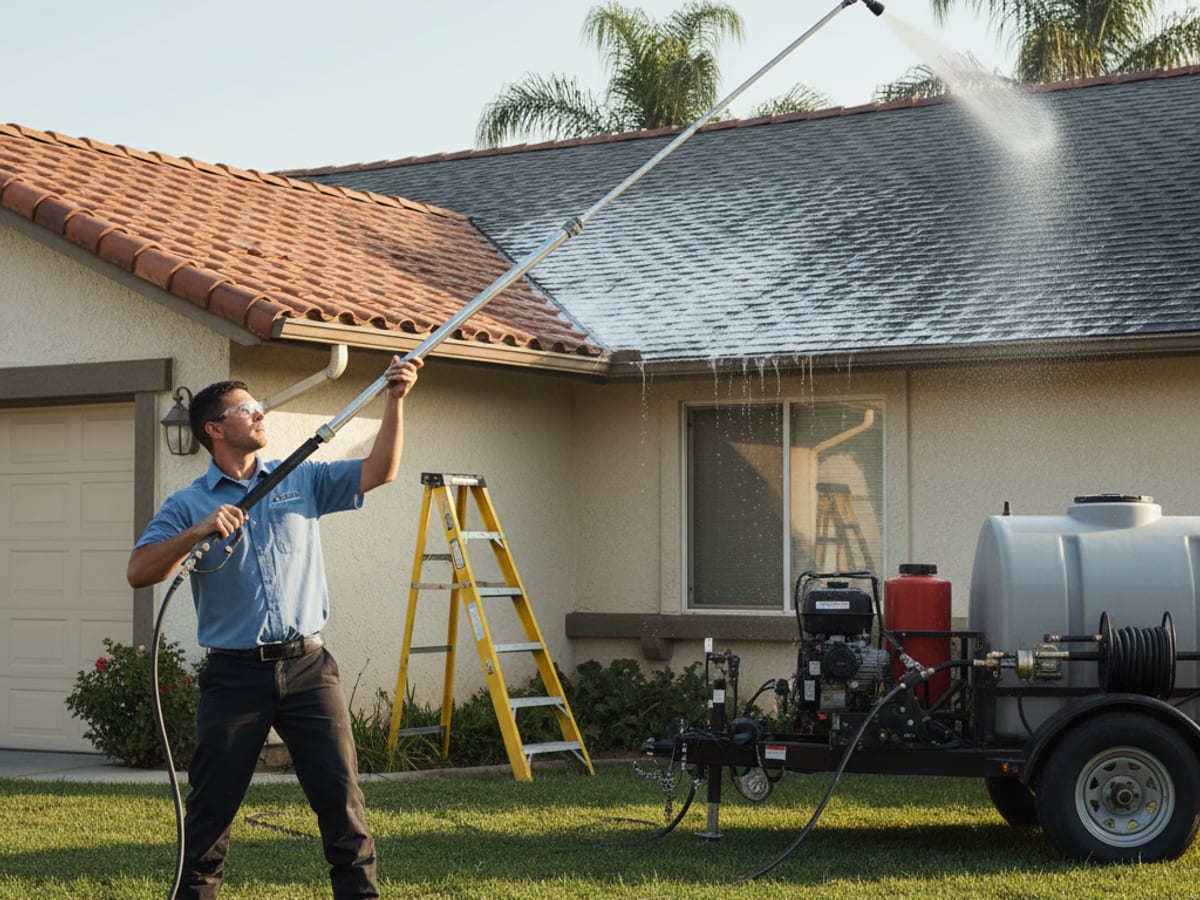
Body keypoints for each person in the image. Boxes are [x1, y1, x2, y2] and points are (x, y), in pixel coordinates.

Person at [127, 354, 422, 899]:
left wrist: (395, 399)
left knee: (342, 803)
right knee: (210, 812)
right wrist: (197, 532)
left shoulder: (299, 478)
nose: (261, 414)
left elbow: (380, 471)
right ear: (215, 429)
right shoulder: (187, 503)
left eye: (260, 406)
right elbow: (138, 571)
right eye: (247, 409)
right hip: (234, 678)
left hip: (310, 670)